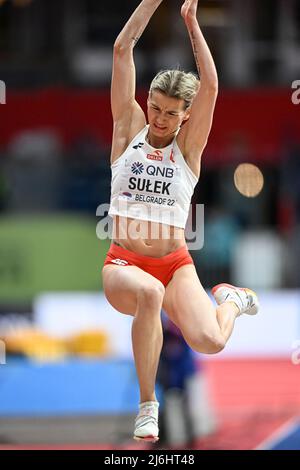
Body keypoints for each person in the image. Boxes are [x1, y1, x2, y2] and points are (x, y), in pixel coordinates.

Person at [102, 0, 259, 443]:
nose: (161, 118)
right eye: (156, 107)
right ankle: (147, 405)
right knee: (148, 293)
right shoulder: (126, 129)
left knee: (210, 341)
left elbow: (210, 83)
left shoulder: (188, 149)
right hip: (123, 266)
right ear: (147, 101)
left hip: (174, 265)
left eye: (172, 113)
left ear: (185, 115)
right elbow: (121, 48)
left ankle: (229, 298)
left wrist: (191, 22)